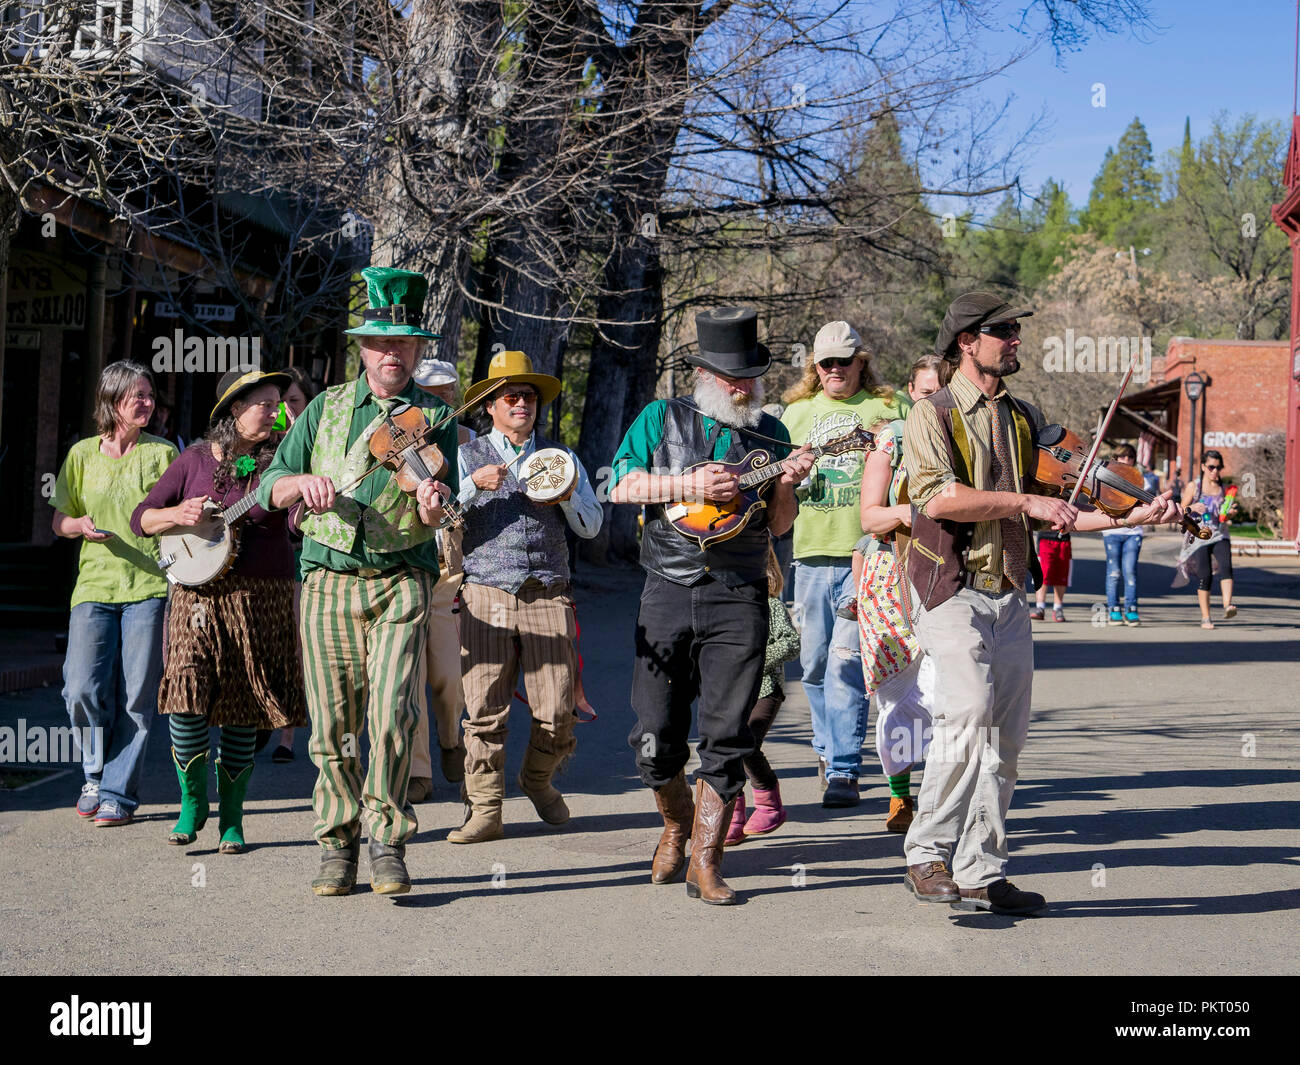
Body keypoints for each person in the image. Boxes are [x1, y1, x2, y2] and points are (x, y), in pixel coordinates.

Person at [900, 292, 1182, 915]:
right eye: (1002, 330)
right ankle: (926, 852)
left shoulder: (1024, 416)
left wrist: (1135, 516)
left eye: (1015, 330)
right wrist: (1025, 503)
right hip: (950, 590)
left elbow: (1064, 512)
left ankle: (981, 870)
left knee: (1006, 740)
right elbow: (939, 498)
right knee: (968, 712)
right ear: (966, 342)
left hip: (1008, 595)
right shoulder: (933, 413)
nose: (1015, 340)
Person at [256, 267, 458, 897]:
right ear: (364, 349)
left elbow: (440, 507)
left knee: (394, 714)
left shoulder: (437, 418)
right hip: (328, 580)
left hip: (403, 579)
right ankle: (336, 843)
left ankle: (387, 839)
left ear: (419, 350)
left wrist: (432, 506)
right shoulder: (325, 408)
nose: (392, 352)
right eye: (381, 341)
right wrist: (302, 485)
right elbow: (270, 486)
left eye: (404, 342)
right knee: (332, 722)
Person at [610, 306, 815, 905]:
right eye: (731, 376)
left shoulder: (770, 435)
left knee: (727, 733)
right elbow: (622, 486)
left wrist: (785, 482)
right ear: (703, 373)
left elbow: (779, 526)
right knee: (653, 736)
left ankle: (706, 857)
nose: (742, 386)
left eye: (750, 375)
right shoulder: (661, 417)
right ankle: (674, 822)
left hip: (739, 594)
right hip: (667, 588)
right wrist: (690, 484)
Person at [132, 370, 308, 852]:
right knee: (185, 696)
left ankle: (232, 816)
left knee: (244, 705)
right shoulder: (192, 461)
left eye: (278, 404)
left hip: (260, 595)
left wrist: (305, 505)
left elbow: (294, 525)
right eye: (264, 404)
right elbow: (141, 518)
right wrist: (177, 514)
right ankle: (193, 802)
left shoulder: (282, 461)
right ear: (235, 410)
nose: (274, 412)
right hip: (195, 597)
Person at [449, 349, 602, 842]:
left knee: (558, 711)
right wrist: (472, 486)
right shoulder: (465, 456)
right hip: (486, 590)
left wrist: (570, 497)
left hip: (548, 590)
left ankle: (536, 780)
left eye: (529, 397)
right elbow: (439, 520)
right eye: (511, 396)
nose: (522, 404)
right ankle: (485, 809)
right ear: (490, 405)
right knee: (485, 709)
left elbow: (593, 527)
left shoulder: (561, 458)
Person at [781, 320, 908, 808]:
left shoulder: (891, 408)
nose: (836, 369)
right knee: (812, 666)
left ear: (862, 361)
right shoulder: (795, 415)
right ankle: (826, 747)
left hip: (872, 556)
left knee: (845, 664)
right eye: (826, 362)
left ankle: (843, 768)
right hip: (811, 554)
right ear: (815, 367)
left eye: (845, 360)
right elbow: (772, 480)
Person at [51, 361, 177, 827]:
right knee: (81, 686)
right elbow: (58, 519)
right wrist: (77, 525)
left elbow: (178, 516)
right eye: (136, 395)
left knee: (138, 694)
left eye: (149, 393)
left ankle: (118, 794)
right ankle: (92, 772)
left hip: (149, 586)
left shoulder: (163, 454)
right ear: (112, 401)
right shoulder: (82, 455)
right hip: (94, 586)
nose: (146, 402)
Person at [855, 353, 948, 833]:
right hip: (890, 573)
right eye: (926, 392)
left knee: (940, 691)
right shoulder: (890, 437)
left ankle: (935, 797)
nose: (935, 400)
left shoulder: (964, 437)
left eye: (943, 391)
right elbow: (870, 519)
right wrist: (913, 513)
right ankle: (899, 797)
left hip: (947, 574)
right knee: (895, 693)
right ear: (912, 393)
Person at [406, 357, 474, 800]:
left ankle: (450, 739)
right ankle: (417, 772)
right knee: (406, 676)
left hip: (449, 572)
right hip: (409, 567)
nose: (442, 400)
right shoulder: (397, 441)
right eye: (433, 394)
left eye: (448, 393)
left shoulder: (468, 443)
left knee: (448, 674)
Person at [724, 544, 800, 845]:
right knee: (727, 747)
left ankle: (770, 804)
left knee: (747, 744)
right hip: (730, 692)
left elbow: (791, 643)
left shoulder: (770, 605)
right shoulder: (723, 611)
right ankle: (733, 814)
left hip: (766, 689)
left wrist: (754, 661)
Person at [267, 364, 317, 765]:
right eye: (278, 405)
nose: (285, 411)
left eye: (294, 402)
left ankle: (288, 733)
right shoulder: (261, 447)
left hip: (300, 555)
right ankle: (260, 716)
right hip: (262, 554)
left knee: (296, 642)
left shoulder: (320, 442)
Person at [1180, 449, 1238, 629]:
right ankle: (1206, 618)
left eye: (1218, 467)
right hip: (1199, 535)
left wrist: (1230, 513)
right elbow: (1181, 510)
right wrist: (1193, 508)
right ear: (1204, 466)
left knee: (1226, 567)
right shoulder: (1194, 486)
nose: (1215, 471)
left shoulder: (1224, 488)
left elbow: (1224, 514)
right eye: (1211, 467)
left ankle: (1227, 605)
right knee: (1205, 576)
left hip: (1220, 533)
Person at [1102, 443, 1145, 626]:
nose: (1127, 460)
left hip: (1133, 532)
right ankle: (1113, 609)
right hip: (1112, 531)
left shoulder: (1141, 479)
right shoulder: (1106, 479)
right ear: (1116, 458)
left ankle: (1131, 609)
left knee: (1130, 572)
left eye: (1130, 457)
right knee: (1114, 572)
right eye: (1123, 457)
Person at [1029, 529, 1071, 621]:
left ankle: (1058, 608)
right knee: (1043, 574)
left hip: (1064, 538)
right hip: (1045, 537)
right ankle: (1040, 607)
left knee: (1061, 574)